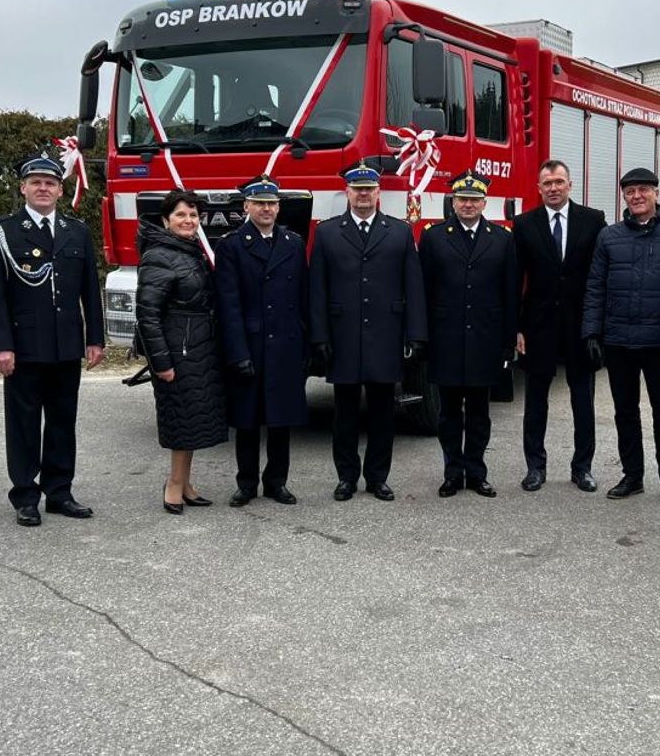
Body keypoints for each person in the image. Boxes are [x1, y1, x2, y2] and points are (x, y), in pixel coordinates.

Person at [0, 153, 105, 527]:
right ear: (23, 188)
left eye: (50, 183)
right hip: (24, 346)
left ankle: (60, 492)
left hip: (66, 344)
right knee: (24, 424)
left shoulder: (76, 231)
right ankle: (25, 496)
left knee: (63, 422)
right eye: (35, 182)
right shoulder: (2, 231)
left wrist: (94, 339)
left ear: (60, 190)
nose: (43, 188)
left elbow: (90, 290)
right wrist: (0, 345)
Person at [582, 166, 660, 503]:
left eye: (643, 190)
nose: (636, 196)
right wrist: (591, 332)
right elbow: (595, 287)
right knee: (625, 411)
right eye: (630, 191)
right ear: (624, 196)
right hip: (619, 339)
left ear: (656, 194)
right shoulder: (609, 236)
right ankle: (632, 476)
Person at [308, 163, 427, 501]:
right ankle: (346, 477)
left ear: (378, 193)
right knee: (344, 413)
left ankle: (377, 477)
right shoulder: (328, 232)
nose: (363, 195)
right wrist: (319, 336)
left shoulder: (400, 232)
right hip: (343, 335)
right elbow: (317, 289)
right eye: (357, 189)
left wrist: (415, 334)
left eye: (369, 189)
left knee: (382, 414)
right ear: (347, 192)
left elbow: (413, 287)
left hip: (386, 335)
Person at [419, 169, 518, 497]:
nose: (468, 205)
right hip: (446, 339)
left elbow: (510, 295)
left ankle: (476, 472)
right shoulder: (434, 237)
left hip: (485, 340)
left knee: (479, 413)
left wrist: (508, 341)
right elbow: (424, 292)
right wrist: (422, 337)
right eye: (462, 199)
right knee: (448, 413)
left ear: (484, 203)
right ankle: (452, 473)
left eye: (475, 200)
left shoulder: (502, 239)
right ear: (453, 202)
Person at [215, 175, 308, 507]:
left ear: (279, 208)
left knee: (281, 419)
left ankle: (276, 482)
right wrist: (237, 352)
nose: (266, 209)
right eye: (259, 204)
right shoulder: (231, 246)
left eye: (271, 204)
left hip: (286, 342)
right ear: (246, 207)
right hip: (251, 344)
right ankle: (246, 483)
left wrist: (306, 343)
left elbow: (303, 297)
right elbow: (229, 305)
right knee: (248, 421)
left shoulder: (293, 243)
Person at [514, 159, 606, 492]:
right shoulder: (524, 224)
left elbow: (600, 277)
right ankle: (535, 468)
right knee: (535, 403)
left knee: (583, 402)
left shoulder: (593, 220)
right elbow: (515, 279)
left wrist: (597, 326)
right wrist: (516, 328)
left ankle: (582, 468)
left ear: (570, 185)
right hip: (537, 327)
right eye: (547, 183)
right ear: (539, 188)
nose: (553, 188)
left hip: (581, 327)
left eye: (559, 182)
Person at [135, 189, 227, 514]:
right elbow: (147, 315)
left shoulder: (190, 251)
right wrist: (161, 362)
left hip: (198, 348)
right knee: (180, 420)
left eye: (193, 215)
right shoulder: (158, 255)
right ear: (166, 220)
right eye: (180, 215)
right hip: (178, 351)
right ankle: (173, 484)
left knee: (192, 419)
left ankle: (185, 482)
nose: (188, 221)